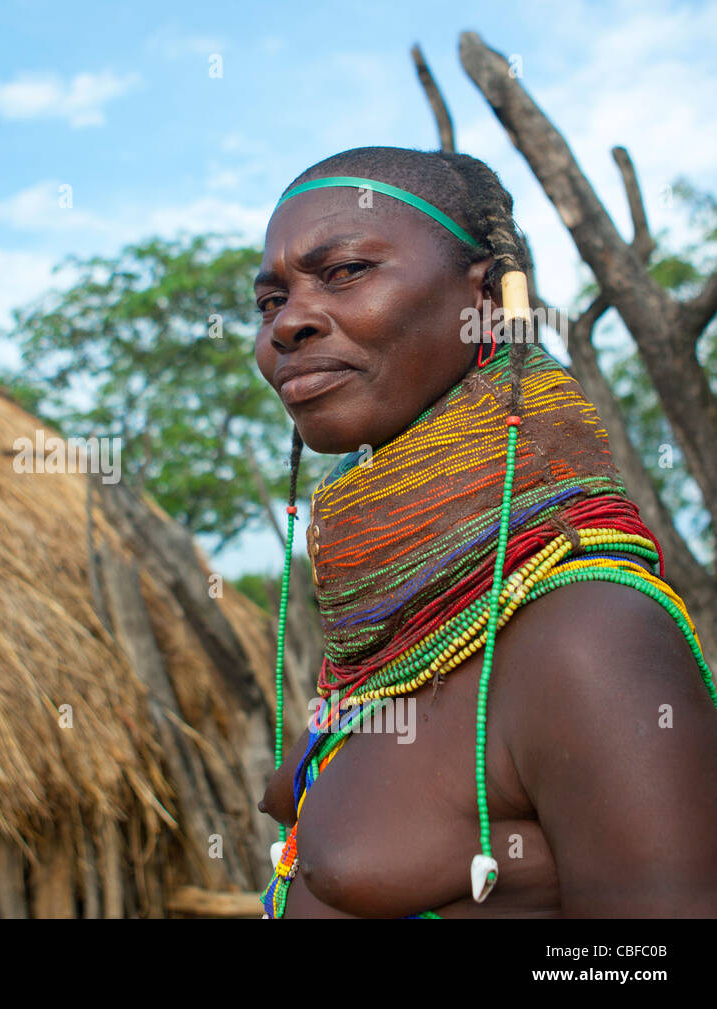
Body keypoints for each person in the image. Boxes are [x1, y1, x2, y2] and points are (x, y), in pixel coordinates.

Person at [253, 146, 717, 918]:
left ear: (489, 300)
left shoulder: (587, 635)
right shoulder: (393, 637)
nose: (288, 322)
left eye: (345, 272)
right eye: (269, 300)